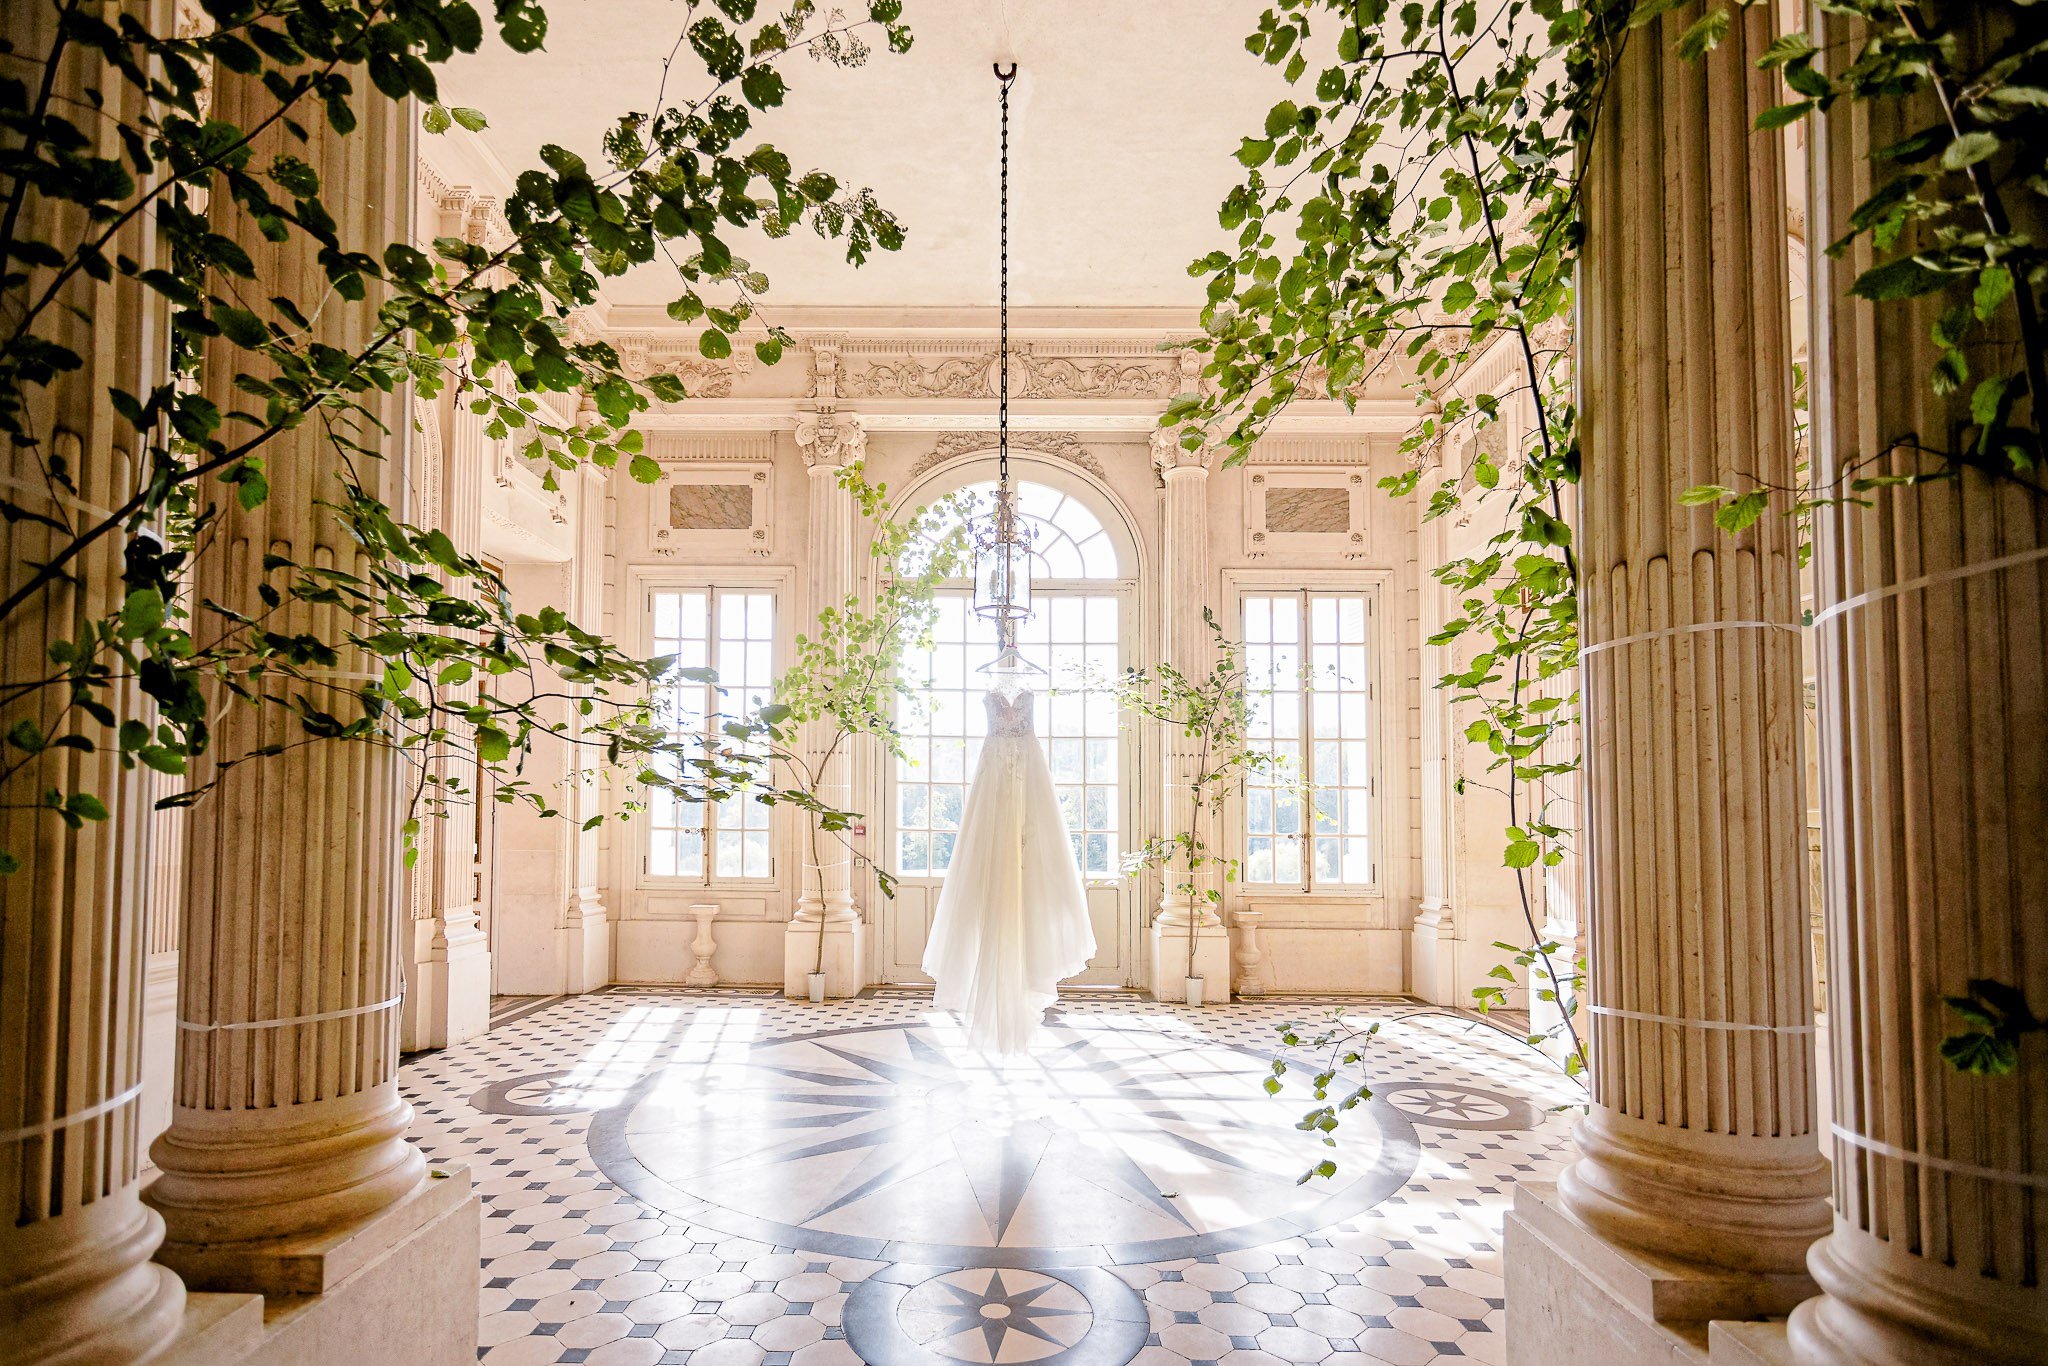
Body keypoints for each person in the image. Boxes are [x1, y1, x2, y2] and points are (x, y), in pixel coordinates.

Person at [921, 678, 1095, 1054]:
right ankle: (995, 1003)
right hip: (995, 788)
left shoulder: (1027, 692)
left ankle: (1022, 987)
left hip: (1029, 783)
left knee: (1032, 880)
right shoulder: (991, 692)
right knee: (991, 877)